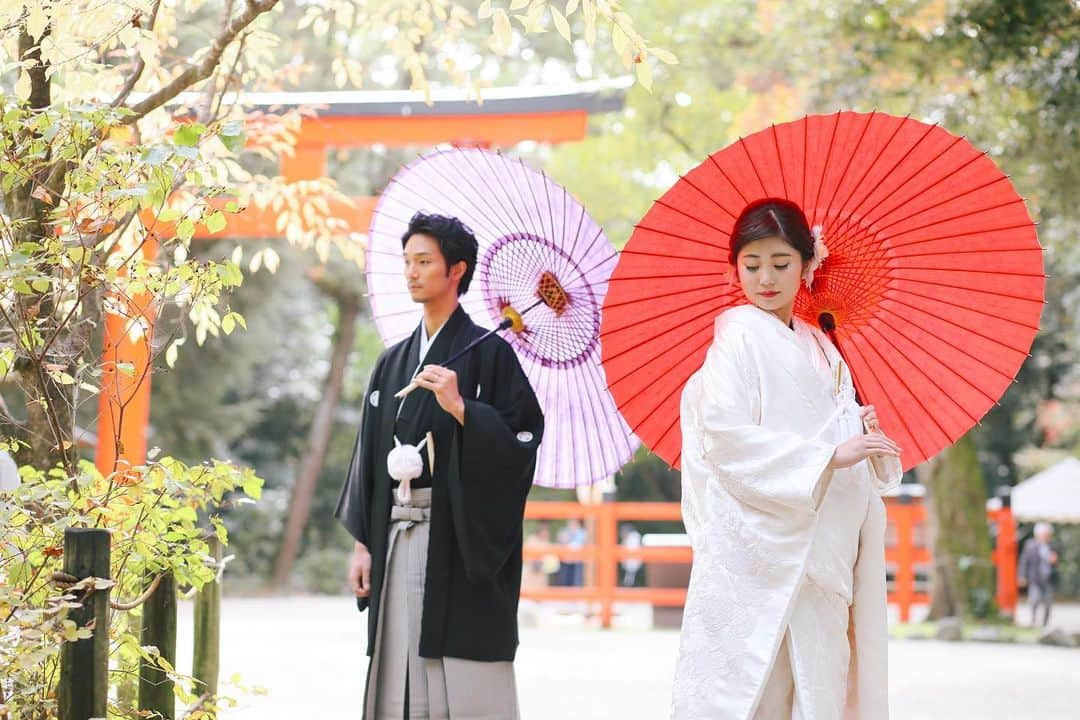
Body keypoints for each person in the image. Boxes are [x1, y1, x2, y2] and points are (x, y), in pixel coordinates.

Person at [673, 198, 903, 720]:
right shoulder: (734, 338)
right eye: (751, 265)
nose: (765, 279)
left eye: (781, 263)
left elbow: (840, 444)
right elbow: (725, 438)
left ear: (807, 265)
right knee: (758, 689)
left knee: (820, 686)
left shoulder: (823, 344)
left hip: (824, 542)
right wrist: (828, 455)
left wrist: (859, 433)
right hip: (760, 548)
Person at [335, 212, 544, 720]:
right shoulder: (392, 362)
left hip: (455, 539)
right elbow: (368, 454)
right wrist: (364, 542)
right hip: (394, 534)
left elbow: (523, 438)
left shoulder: (491, 355)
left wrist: (464, 408)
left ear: (457, 270)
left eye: (424, 261)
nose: (411, 272)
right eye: (407, 262)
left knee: (458, 671)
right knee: (396, 662)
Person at [1018, 522, 1058, 628]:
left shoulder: (1053, 545)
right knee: (1034, 600)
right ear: (1037, 535)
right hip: (1035, 578)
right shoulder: (1030, 545)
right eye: (1043, 534)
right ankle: (1033, 620)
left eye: (1047, 534)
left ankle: (1045, 624)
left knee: (1048, 603)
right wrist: (1022, 576)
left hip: (1049, 579)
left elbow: (1058, 560)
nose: (1046, 536)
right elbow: (1024, 561)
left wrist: (1055, 560)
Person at [620, 523, 643, 587]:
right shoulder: (636, 537)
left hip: (632, 560)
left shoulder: (632, 538)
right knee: (631, 574)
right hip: (633, 560)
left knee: (630, 575)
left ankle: (628, 585)